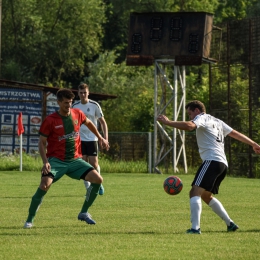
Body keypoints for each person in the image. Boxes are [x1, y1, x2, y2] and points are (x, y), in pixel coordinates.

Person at [157, 100, 260, 234]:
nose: (190, 117)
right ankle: (230, 224)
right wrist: (253, 144)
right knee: (206, 196)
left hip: (212, 161)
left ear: (197, 111)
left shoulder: (202, 118)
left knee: (194, 192)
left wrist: (169, 122)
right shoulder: (217, 121)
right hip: (222, 164)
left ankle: (195, 228)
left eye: (190, 114)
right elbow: (234, 133)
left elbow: (189, 126)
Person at [23, 88, 109, 228]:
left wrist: (100, 138)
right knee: (44, 185)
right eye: (65, 103)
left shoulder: (77, 114)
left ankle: (84, 212)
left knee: (98, 179)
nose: (68, 106)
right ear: (58, 102)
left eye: (70, 102)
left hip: (75, 161)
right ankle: (29, 220)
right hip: (56, 161)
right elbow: (41, 143)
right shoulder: (50, 120)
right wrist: (45, 162)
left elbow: (89, 123)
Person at [72, 83, 108, 195]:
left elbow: (103, 122)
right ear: (78, 93)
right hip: (80, 139)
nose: (83, 94)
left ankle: (99, 182)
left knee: (94, 164)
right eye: (81, 93)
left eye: (85, 92)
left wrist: (105, 138)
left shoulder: (94, 105)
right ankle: (88, 188)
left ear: (88, 93)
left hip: (92, 138)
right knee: (84, 163)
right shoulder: (75, 106)